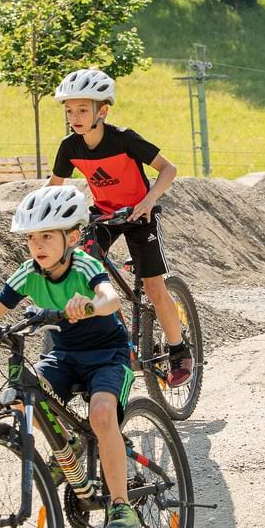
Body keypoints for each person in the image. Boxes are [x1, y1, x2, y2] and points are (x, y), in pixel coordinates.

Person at [0, 186, 141, 528]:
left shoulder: (84, 264)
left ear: (72, 237)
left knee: (102, 415)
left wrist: (90, 305)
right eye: (31, 238)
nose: (37, 245)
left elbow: (111, 298)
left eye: (46, 236)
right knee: (18, 396)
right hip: (63, 354)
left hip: (108, 354)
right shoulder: (27, 273)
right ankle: (68, 447)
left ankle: (121, 505)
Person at [46, 68, 194, 386]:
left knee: (154, 288)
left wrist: (149, 201)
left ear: (103, 110)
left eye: (83, 110)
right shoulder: (70, 147)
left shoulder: (124, 138)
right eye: (69, 110)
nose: (74, 117)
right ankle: (110, 338)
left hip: (139, 216)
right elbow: (54, 187)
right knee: (83, 272)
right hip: (102, 216)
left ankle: (179, 350)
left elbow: (168, 169)